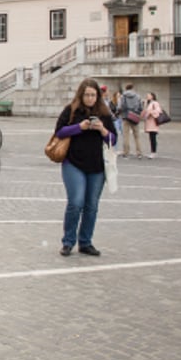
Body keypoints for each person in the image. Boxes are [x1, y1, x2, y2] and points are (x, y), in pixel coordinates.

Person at [53, 78, 117, 257]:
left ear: (98, 96)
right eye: (87, 95)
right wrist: (79, 127)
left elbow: (113, 139)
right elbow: (59, 131)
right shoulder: (71, 110)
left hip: (97, 166)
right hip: (73, 163)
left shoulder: (104, 113)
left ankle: (85, 242)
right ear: (81, 95)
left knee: (92, 205)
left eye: (93, 95)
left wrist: (102, 130)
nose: (90, 98)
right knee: (76, 202)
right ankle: (68, 242)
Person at [116, 83, 144, 159]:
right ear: (132, 88)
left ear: (126, 88)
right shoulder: (137, 96)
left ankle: (126, 152)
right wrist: (136, 112)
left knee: (126, 136)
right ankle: (139, 152)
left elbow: (119, 107)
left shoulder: (123, 96)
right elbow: (141, 107)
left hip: (125, 117)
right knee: (137, 136)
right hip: (135, 117)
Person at [142, 91, 163, 160]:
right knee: (151, 137)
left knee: (153, 137)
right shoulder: (147, 103)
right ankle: (152, 151)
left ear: (152, 96)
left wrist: (151, 112)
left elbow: (158, 111)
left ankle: (153, 152)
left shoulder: (155, 103)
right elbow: (145, 111)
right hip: (149, 123)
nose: (147, 96)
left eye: (149, 95)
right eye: (147, 95)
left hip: (153, 123)